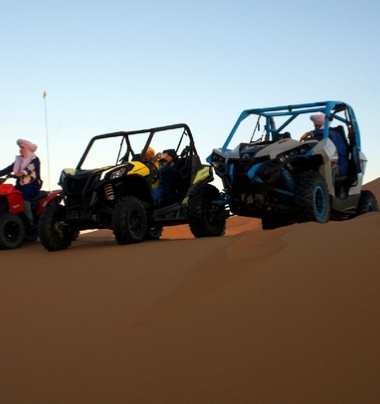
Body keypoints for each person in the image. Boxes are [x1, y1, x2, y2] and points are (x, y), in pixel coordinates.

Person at [0, 138, 42, 224]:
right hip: (20, 185)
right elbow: (8, 169)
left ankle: (30, 219)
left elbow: (29, 169)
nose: (20, 150)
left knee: (22, 194)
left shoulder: (34, 159)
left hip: (32, 185)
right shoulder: (18, 160)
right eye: (20, 148)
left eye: (22, 148)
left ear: (28, 149)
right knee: (10, 194)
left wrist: (22, 173)